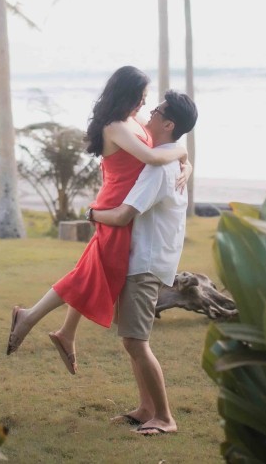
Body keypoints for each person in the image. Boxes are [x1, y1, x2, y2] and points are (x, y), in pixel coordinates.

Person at [6, 66, 188, 373]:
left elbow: (161, 147)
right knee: (95, 272)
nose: (145, 103)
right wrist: (182, 152)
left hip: (127, 206)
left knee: (95, 270)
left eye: (146, 97)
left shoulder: (133, 120)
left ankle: (63, 332)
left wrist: (186, 163)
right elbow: (153, 157)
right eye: (141, 96)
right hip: (116, 207)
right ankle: (32, 319)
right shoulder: (115, 126)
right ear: (126, 94)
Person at [90, 90, 197, 437]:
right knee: (131, 339)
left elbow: (123, 215)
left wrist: (91, 213)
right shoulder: (171, 159)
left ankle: (165, 417)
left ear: (169, 124)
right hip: (151, 258)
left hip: (146, 262)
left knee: (136, 341)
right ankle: (146, 409)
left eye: (157, 112)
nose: (149, 114)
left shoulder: (159, 168)